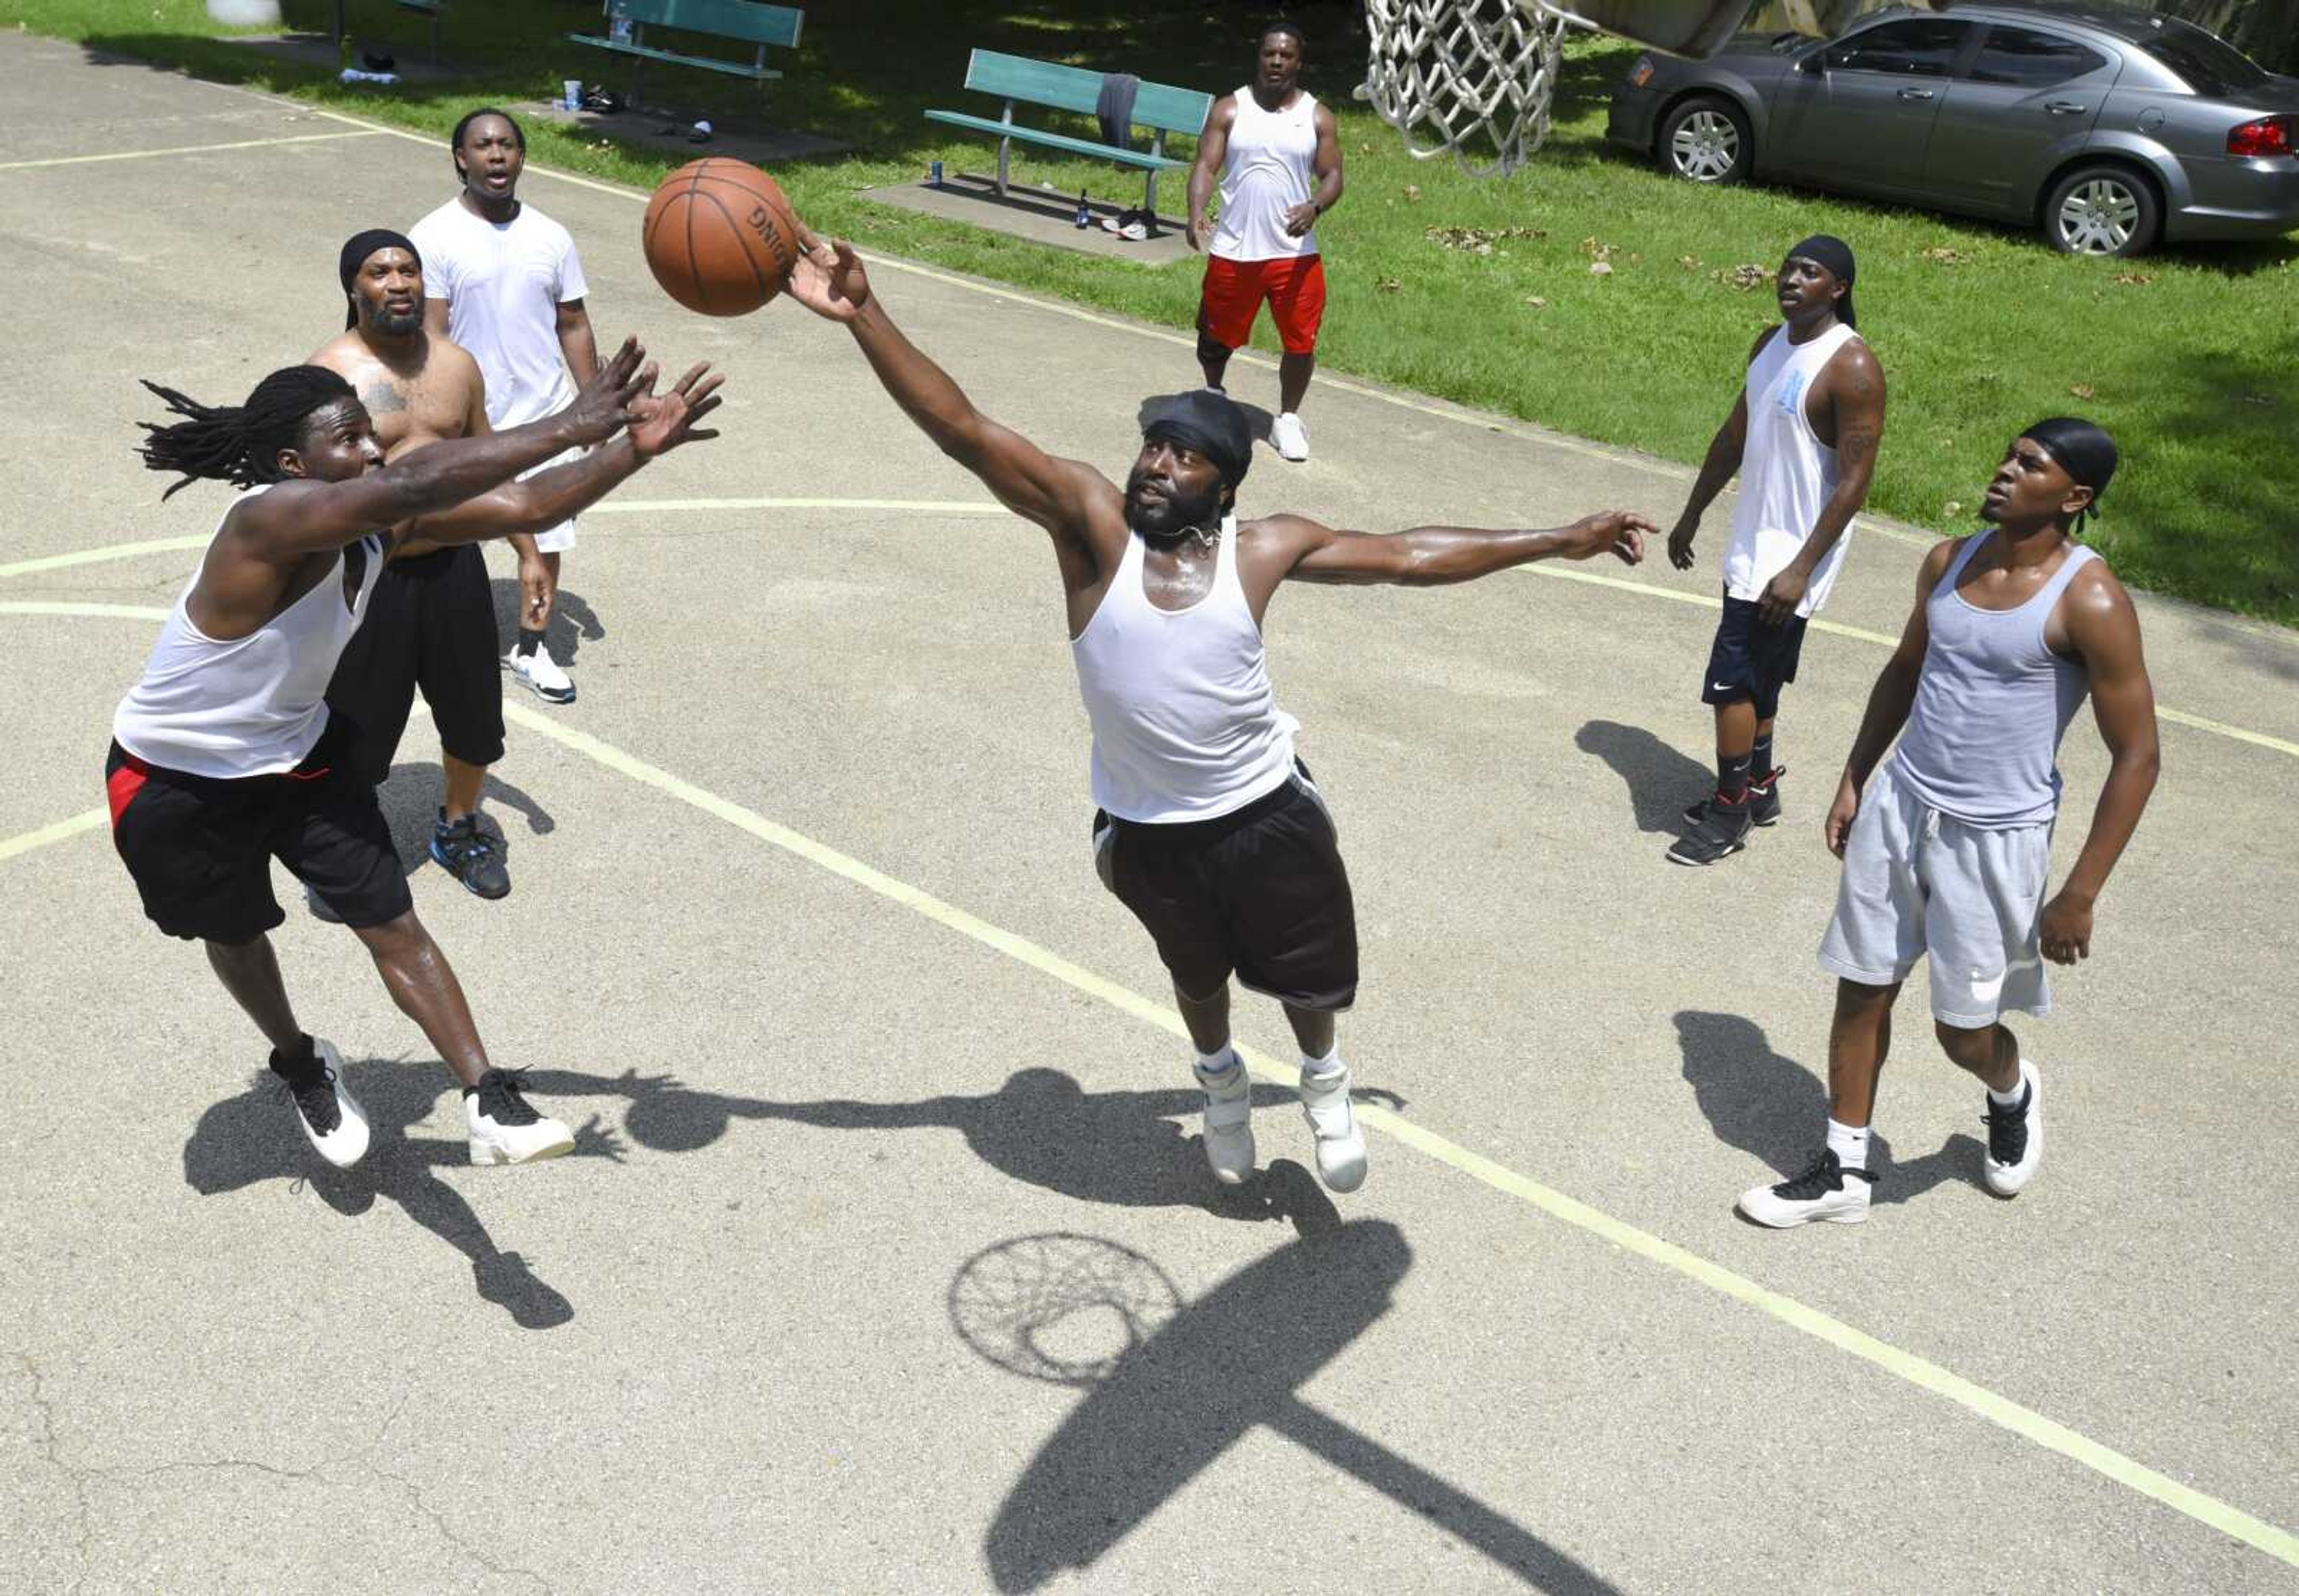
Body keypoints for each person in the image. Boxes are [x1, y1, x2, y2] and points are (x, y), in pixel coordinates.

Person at [785, 225, 1649, 1196]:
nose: (1156, 463)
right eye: (1153, 444)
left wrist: (1557, 538)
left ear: (1225, 485)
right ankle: (1221, 1082)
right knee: (1197, 976)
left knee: (1309, 979)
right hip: (1148, 828)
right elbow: (965, 429)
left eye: (1184, 456)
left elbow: (1411, 556)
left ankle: (1322, 1081)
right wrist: (865, 313)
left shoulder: (1260, 550)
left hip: (1264, 810)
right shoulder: (1090, 532)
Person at [108, 338, 721, 1170]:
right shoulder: (267, 518)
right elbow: (412, 479)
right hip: (176, 779)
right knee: (238, 931)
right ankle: (298, 1061)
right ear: (293, 463)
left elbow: (523, 503)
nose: (373, 449)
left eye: (372, 433)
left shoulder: (376, 525)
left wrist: (627, 452)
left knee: (393, 922)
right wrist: (570, 420)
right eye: (349, 440)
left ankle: (488, 1098)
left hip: (296, 759)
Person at [1736, 420, 2159, 1228]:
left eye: (2031, 465)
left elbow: (2138, 754)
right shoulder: (1947, 559)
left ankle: (2011, 1087)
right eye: (2008, 454)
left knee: (1961, 1032)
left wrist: (2080, 893)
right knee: (1862, 987)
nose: (2005, 470)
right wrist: (1857, 777)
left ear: (2074, 498)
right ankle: (1844, 1170)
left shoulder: (2089, 598)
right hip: (1902, 805)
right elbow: (1905, 671)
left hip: (1995, 839)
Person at [1664, 235, 1885, 867]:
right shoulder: (1768, 344)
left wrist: (1800, 569)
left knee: (1732, 683)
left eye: (1809, 272)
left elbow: (1855, 482)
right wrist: (1693, 511)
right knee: (1758, 674)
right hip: (1754, 542)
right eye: (1788, 268)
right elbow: (1735, 435)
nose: (1791, 279)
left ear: (1838, 288)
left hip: (1792, 556)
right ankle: (1758, 788)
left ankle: (1729, 811)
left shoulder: (1852, 366)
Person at [310, 229, 517, 900]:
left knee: (474, 716)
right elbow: (305, 493)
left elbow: (494, 466)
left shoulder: (458, 366)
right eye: (380, 271)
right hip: (368, 574)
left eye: (408, 270)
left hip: (455, 568)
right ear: (354, 287)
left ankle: (458, 827)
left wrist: (531, 552)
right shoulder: (329, 374)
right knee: (355, 725)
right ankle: (346, 846)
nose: (398, 282)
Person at [411, 107, 599, 704]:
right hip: (471, 418)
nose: (497, 156)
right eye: (484, 146)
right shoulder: (433, 236)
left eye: (508, 145)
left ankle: (532, 647)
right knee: (440, 537)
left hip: (546, 410)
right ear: (460, 159)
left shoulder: (551, 235)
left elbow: (573, 321)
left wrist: (594, 403)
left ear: (522, 157)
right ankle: (422, 637)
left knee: (546, 537)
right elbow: (431, 337)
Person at [1185, 22, 1342, 465]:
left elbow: (1333, 176)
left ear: (1299, 61)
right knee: (1215, 334)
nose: (1277, 61)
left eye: (1286, 55)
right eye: (1270, 53)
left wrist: (1315, 206)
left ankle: (1288, 419)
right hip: (1235, 248)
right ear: (1260, 57)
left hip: (1295, 254)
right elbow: (1204, 166)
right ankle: (1213, 395)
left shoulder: (1317, 116)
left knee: (1300, 341)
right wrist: (1196, 212)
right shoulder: (1230, 109)